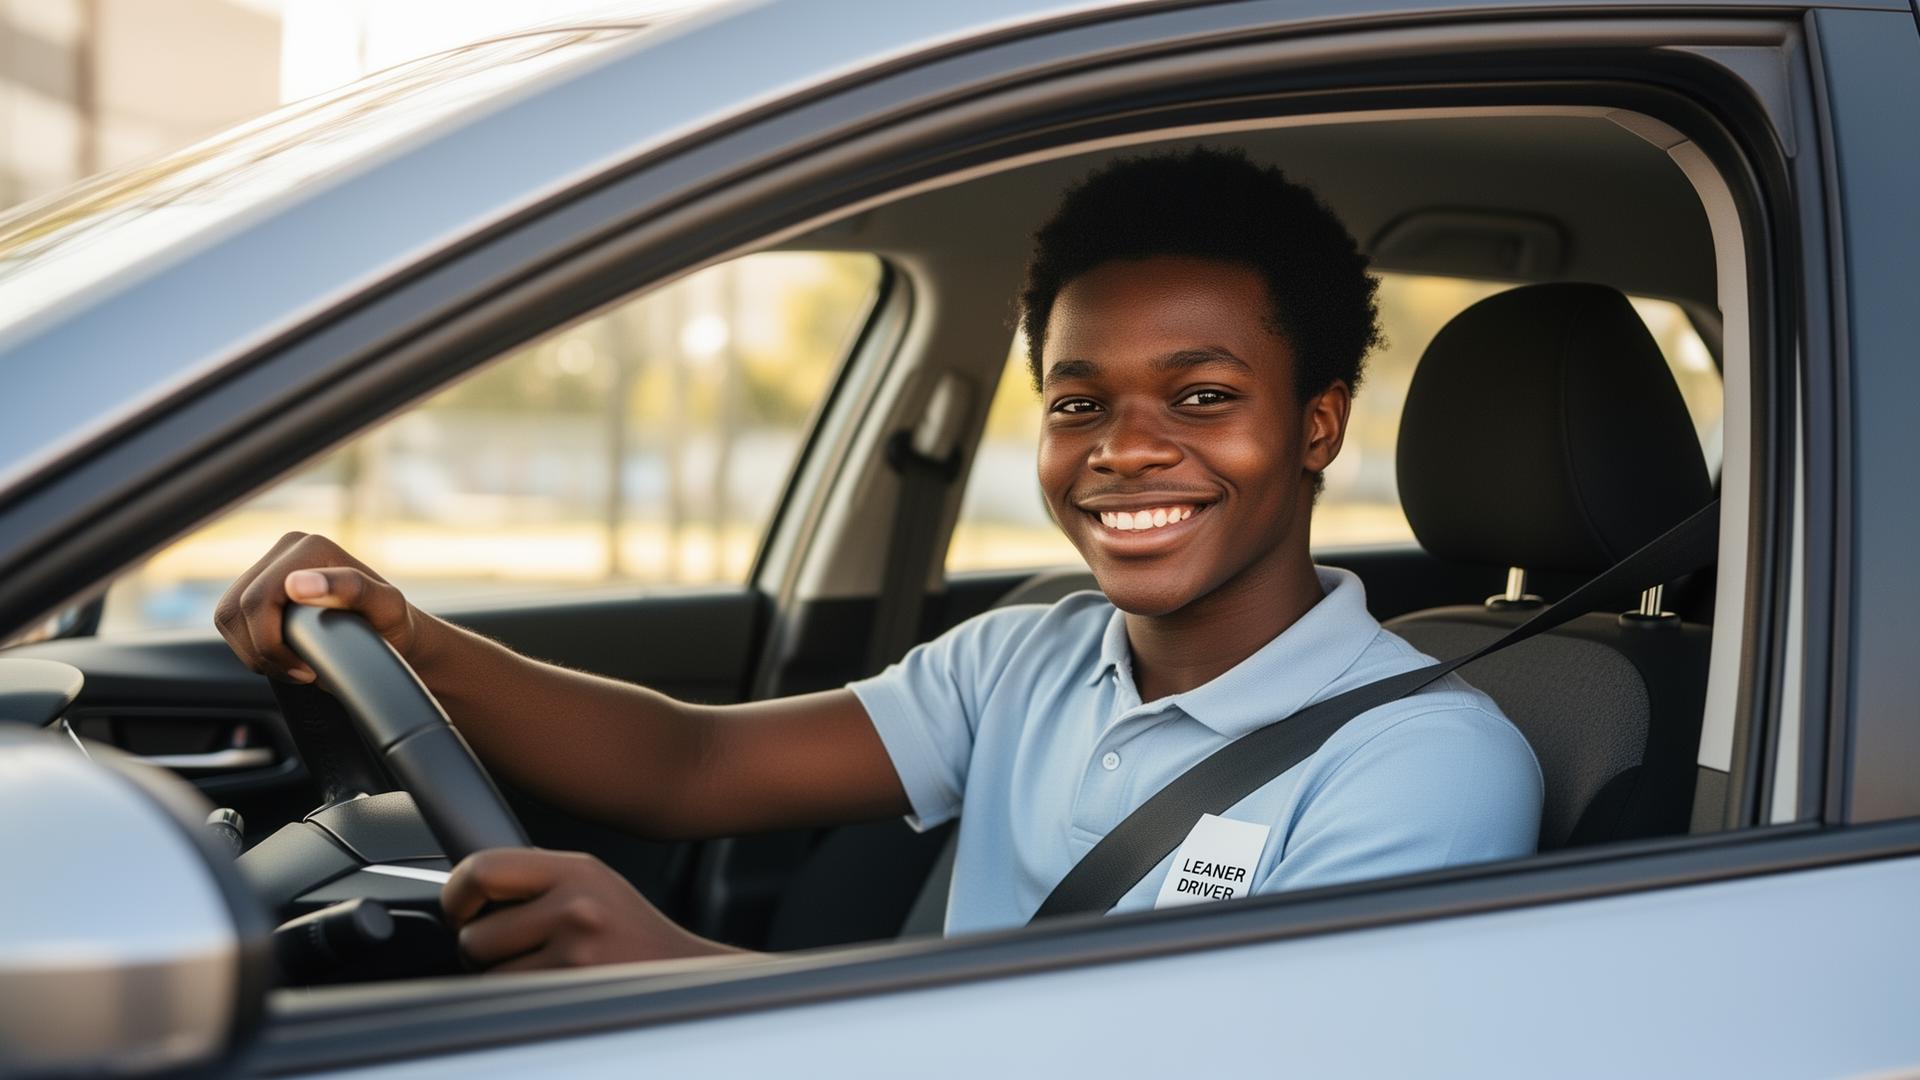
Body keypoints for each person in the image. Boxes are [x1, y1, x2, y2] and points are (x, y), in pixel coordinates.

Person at [216, 147, 1542, 971]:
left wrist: (686, 979)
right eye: (1078, 402)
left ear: (1317, 424)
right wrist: (407, 636)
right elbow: (695, 763)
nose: (1123, 450)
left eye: (1200, 397)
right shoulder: (1030, 653)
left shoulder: (1427, 761)